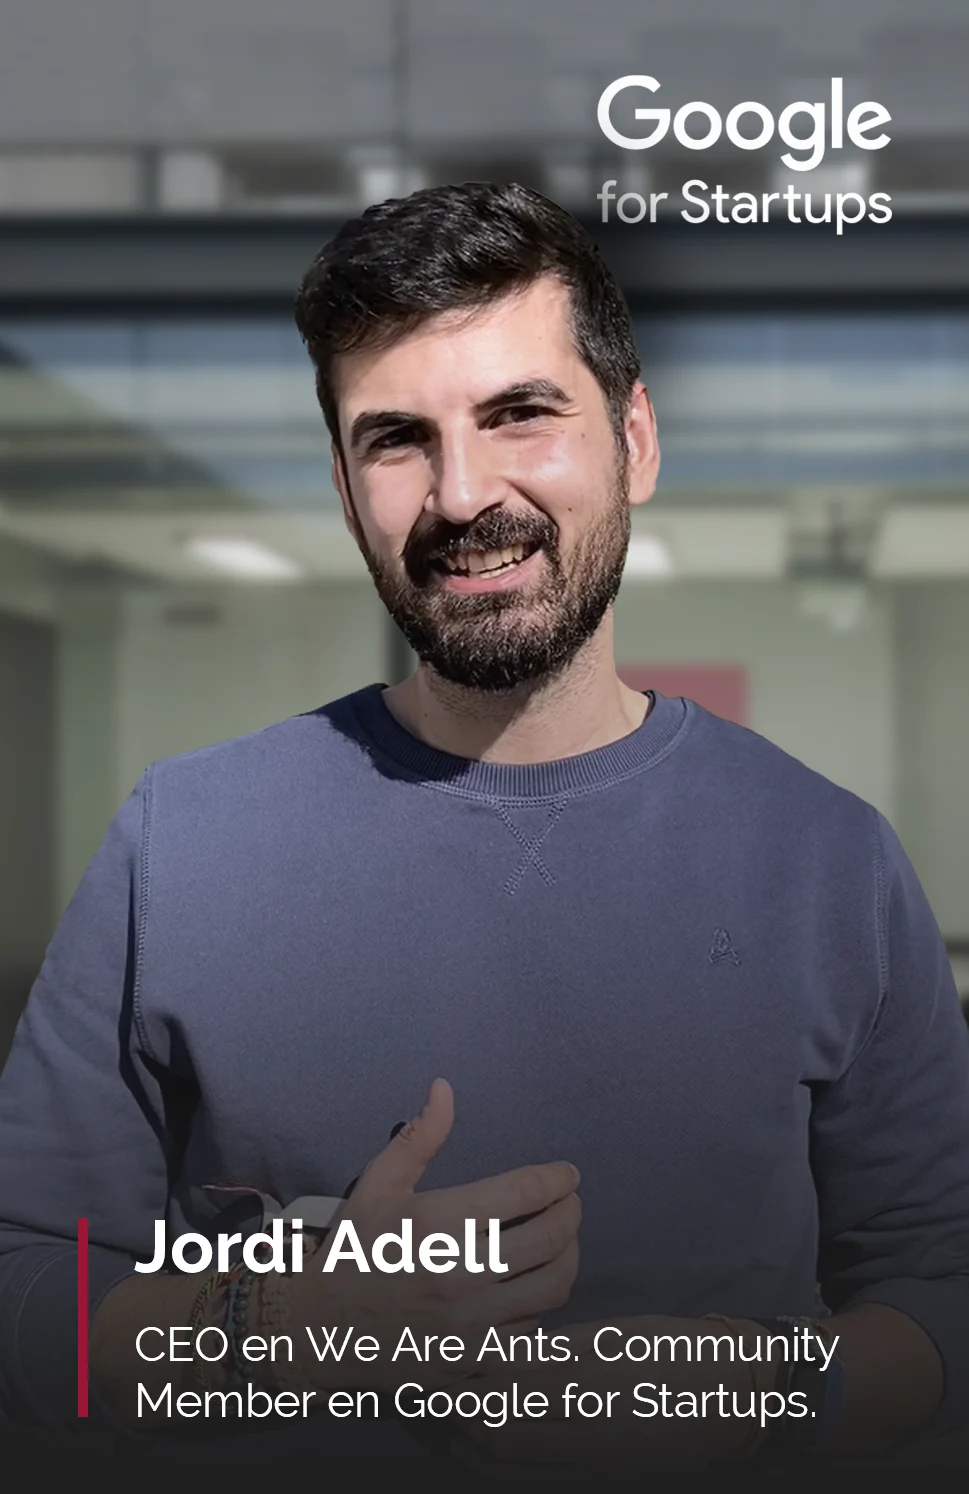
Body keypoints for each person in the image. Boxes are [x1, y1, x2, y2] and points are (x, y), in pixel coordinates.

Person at [1, 181, 968, 1477]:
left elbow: (938, 1294)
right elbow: (28, 1295)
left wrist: (745, 1385)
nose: (463, 494)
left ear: (636, 439)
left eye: (520, 413)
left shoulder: (832, 862)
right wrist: (272, 1324)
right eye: (397, 438)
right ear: (347, 495)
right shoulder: (178, 844)